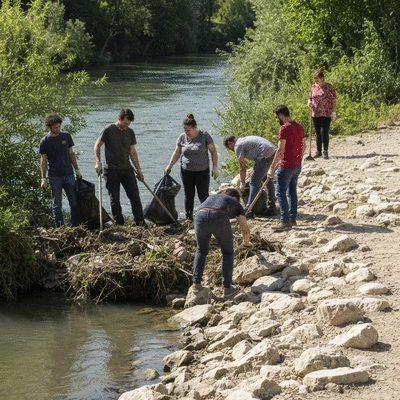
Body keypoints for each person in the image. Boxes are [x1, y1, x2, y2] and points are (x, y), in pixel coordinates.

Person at [191, 188, 251, 297]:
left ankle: (196, 284)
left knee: (201, 250)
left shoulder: (213, 196)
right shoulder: (236, 203)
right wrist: (246, 243)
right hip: (218, 216)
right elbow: (244, 227)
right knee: (227, 253)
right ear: (236, 198)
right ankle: (227, 287)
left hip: (200, 216)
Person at [94, 108, 146, 226]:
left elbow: (132, 152)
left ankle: (139, 221)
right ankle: (119, 224)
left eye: (128, 124)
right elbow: (97, 146)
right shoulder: (108, 130)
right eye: (125, 123)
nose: (126, 126)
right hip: (111, 170)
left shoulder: (130, 132)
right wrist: (98, 162)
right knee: (115, 199)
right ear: (119, 119)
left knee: (135, 197)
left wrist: (138, 169)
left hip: (127, 169)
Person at [164, 113, 219, 221]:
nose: (186, 132)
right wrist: (169, 165)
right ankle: (189, 218)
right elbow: (177, 152)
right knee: (188, 195)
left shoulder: (204, 135)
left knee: (203, 195)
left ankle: (206, 216)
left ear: (195, 127)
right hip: (186, 171)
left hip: (202, 171)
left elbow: (213, 151)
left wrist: (215, 167)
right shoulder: (182, 137)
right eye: (184, 130)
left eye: (188, 130)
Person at [39, 113, 82, 228]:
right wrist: (43, 178)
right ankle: (60, 228)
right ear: (49, 127)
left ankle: (75, 226)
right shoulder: (45, 141)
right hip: (54, 177)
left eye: (59, 127)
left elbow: (71, 154)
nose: (58, 129)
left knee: (74, 202)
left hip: (69, 174)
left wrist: (77, 170)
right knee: (57, 204)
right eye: (55, 128)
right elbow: (43, 161)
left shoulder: (66, 136)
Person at [268, 105, 306, 232]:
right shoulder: (299, 126)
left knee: (280, 192)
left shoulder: (284, 128)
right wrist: (299, 159)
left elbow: (280, 149)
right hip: (297, 164)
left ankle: (284, 221)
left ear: (281, 116)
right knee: (292, 192)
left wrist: (272, 167)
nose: (276, 120)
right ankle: (292, 219)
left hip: (286, 165)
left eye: (276, 117)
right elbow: (303, 145)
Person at [223, 135, 277, 218]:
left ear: (230, 143)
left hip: (264, 156)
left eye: (230, 149)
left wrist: (242, 182)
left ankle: (249, 209)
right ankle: (272, 206)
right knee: (266, 178)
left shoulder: (238, 145)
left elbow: (242, 167)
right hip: (272, 152)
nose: (232, 151)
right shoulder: (243, 140)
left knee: (253, 182)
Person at [308, 70, 337, 159]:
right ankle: (318, 151)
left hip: (326, 112)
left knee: (324, 132)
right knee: (317, 133)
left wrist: (333, 112)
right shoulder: (313, 87)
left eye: (317, 78)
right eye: (315, 78)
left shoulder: (329, 87)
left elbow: (334, 100)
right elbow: (310, 97)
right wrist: (309, 102)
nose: (316, 80)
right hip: (315, 112)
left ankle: (325, 151)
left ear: (322, 78)